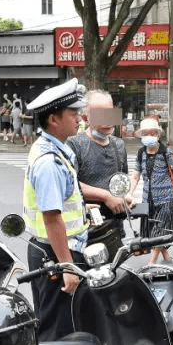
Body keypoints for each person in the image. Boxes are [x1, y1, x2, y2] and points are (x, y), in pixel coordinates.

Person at [23, 78, 89, 341]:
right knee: (58, 330)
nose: (79, 118)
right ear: (53, 119)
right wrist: (68, 267)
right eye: (73, 114)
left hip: (54, 250)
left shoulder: (55, 150)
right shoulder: (49, 162)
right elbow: (52, 219)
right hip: (56, 253)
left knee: (64, 321)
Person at [65, 89, 131, 258]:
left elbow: (122, 180)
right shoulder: (74, 144)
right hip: (84, 233)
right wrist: (106, 197)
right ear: (86, 118)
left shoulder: (119, 145)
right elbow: (69, 183)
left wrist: (125, 197)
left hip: (114, 231)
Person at [129, 117, 173, 264]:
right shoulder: (141, 153)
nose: (149, 136)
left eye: (153, 133)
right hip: (148, 199)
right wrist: (130, 193)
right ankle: (167, 260)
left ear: (158, 135)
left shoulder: (166, 152)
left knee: (159, 230)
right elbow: (135, 176)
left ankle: (151, 263)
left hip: (165, 198)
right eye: (146, 133)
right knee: (153, 230)